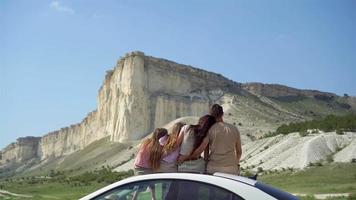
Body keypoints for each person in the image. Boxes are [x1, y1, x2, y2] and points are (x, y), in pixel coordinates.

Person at [190, 104, 242, 175]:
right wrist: (235, 163)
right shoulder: (234, 129)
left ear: (211, 115)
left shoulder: (210, 129)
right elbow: (239, 152)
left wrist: (187, 157)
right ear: (222, 114)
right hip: (231, 169)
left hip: (213, 168)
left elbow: (202, 149)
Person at [133, 128, 168, 200]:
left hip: (138, 166)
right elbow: (159, 159)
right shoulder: (158, 146)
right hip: (144, 168)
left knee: (144, 185)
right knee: (142, 186)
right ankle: (151, 198)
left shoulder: (146, 141)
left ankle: (153, 198)